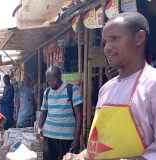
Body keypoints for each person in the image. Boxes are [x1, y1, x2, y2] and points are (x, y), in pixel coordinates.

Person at [64, 12, 156, 160]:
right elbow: (101, 144)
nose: (107, 48)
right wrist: (81, 156)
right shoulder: (106, 88)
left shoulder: (152, 84)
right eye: (105, 42)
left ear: (139, 38)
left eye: (114, 39)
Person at [36, 66, 83, 160]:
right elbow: (44, 112)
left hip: (66, 137)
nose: (50, 83)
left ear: (60, 77)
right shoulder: (47, 92)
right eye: (48, 81)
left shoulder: (72, 90)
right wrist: (39, 127)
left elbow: (79, 115)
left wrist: (77, 138)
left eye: (52, 80)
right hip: (48, 135)